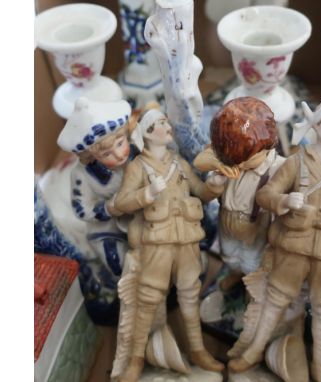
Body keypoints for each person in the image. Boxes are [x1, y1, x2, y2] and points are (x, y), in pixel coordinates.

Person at [228, 100, 321, 382]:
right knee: (275, 299)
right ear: (316, 124)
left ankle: (319, 364)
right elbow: (265, 195)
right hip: (294, 244)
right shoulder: (296, 161)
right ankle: (255, 350)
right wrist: (283, 200)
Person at [113, 106, 226, 382]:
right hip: (158, 243)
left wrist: (214, 185)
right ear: (148, 134)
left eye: (166, 121)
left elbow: (199, 194)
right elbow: (120, 204)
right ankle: (136, 359)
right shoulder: (138, 168)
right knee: (149, 299)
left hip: (186, 240)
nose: (168, 127)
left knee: (190, 296)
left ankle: (198, 350)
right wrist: (147, 193)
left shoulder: (180, 163)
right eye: (162, 123)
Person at [194, 97, 286, 289]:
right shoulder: (227, 157)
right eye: (234, 158)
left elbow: (292, 176)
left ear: (266, 146)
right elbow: (200, 160)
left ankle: (251, 288)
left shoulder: (276, 166)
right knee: (230, 255)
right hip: (226, 218)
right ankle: (235, 276)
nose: (239, 164)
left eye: (246, 159)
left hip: (254, 223)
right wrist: (219, 164)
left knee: (251, 261)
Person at [57, 97, 136, 279]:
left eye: (120, 144)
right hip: (108, 229)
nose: (118, 155)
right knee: (118, 263)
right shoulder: (82, 175)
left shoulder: (136, 152)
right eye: (106, 153)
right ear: (90, 156)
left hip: (142, 215)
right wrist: (107, 208)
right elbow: (80, 209)